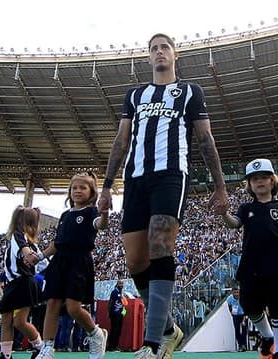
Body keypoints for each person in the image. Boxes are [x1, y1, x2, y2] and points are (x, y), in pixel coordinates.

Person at [97, 32, 229, 359]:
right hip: (135, 178)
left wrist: (220, 185)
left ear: (175, 55)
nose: (159, 52)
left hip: (171, 175)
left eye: (165, 47)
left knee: (160, 246)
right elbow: (121, 140)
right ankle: (169, 328)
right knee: (135, 261)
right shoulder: (135, 94)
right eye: (154, 48)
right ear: (148, 57)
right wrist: (106, 185)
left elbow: (205, 139)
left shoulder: (189, 92)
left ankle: (153, 343)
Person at [220, 158, 278, 358]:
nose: (259, 182)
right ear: (249, 185)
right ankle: (267, 335)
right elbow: (234, 223)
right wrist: (223, 213)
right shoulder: (246, 208)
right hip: (252, 264)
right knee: (249, 304)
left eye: (264, 177)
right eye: (254, 179)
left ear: (272, 181)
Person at [36, 172, 110, 359]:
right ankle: (47, 348)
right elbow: (56, 243)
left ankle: (96, 333)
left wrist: (105, 214)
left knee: (73, 307)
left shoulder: (91, 212)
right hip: (59, 262)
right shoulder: (65, 215)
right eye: (74, 188)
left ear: (91, 192)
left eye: (82, 188)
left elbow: (100, 225)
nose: (78, 191)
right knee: (52, 303)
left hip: (79, 261)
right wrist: (39, 256)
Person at [0, 206, 47, 359]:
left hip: (23, 282)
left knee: (18, 321)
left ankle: (41, 348)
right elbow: (43, 263)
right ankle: (6, 354)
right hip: (15, 283)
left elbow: (37, 258)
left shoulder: (21, 238)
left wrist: (28, 254)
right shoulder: (23, 240)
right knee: (9, 320)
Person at [225, 287, 248, 352]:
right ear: (232, 292)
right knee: (237, 330)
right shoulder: (229, 299)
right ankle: (240, 344)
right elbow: (229, 306)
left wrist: (244, 319)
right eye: (235, 292)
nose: (236, 294)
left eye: (237, 292)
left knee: (244, 330)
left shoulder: (243, 298)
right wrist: (232, 313)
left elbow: (246, 308)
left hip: (243, 315)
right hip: (235, 315)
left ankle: (244, 345)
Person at [107, 279, 126, 351]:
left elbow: (123, 304)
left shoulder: (121, 293)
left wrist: (124, 312)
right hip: (114, 314)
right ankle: (111, 346)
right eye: (120, 284)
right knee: (114, 329)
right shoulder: (114, 292)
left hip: (120, 314)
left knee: (119, 330)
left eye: (122, 284)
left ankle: (116, 345)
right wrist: (109, 312)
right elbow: (111, 302)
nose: (121, 285)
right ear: (117, 284)